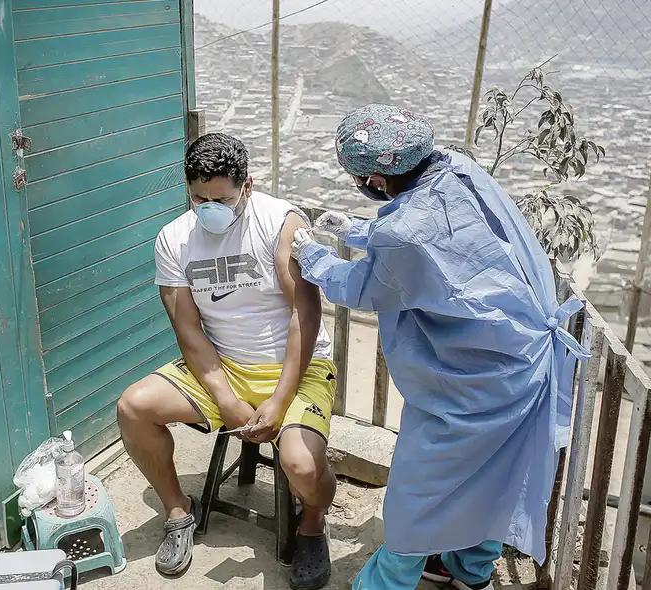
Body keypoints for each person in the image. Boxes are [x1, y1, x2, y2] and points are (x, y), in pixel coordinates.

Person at [289, 104, 590, 590]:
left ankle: (389, 581)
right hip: (521, 365)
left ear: (375, 180)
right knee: (491, 481)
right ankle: (469, 572)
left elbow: (366, 285)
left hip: (470, 390)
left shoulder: (403, 234)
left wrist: (315, 258)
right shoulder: (458, 169)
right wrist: (361, 230)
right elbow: (446, 238)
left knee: (418, 495)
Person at [117, 133, 338, 590]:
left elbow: (305, 312)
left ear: (247, 186)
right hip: (225, 366)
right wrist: (226, 400)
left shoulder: (280, 222)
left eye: (222, 199)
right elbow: (188, 329)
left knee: (301, 467)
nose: (209, 208)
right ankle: (178, 511)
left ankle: (313, 523)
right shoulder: (174, 239)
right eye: (199, 199)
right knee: (133, 407)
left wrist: (280, 400)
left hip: (298, 366)